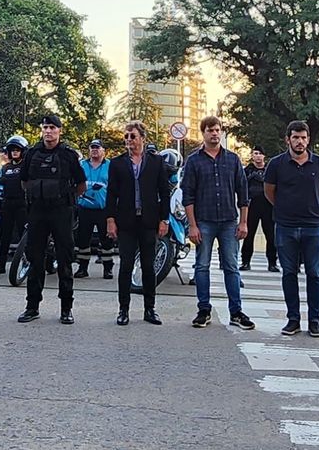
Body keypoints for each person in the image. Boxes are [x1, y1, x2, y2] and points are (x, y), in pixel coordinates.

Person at [180, 115, 252, 328]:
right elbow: (188, 195)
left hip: (229, 220)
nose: (214, 133)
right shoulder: (194, 161)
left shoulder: (232, 159)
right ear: (203, 133)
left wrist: (244, 222)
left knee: (231, 266)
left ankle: (236, 311)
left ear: (221, 132)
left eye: (217, 129)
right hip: (204, 221)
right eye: (210, 130)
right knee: (201, 266)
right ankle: (204, 309)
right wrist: (192, 225)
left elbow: (243, 192)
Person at [265, 121, 319, 337]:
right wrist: (285, 209)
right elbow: (269, 192)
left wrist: (315, 209)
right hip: (286, 226)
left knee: (315, 273)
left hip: (313, 227)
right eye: (295, 137)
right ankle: (293, 319)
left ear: (308, 139)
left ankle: (314, 321)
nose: (300, 141)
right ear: (288, 139)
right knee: (289, 273)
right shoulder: (276, 164)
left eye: (303, 137)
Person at [16, 114, 86, 324]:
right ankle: (32, 307)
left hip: (61, 211)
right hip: (38, 211)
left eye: (52, 128)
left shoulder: (68, 155)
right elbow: (24, 181)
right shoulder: (32, 153)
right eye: (45, 127)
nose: (48, 131)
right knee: (35, 258)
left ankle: (66, 308)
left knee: (64, 259)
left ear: (59, 131)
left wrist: (67, 198)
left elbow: (81, 185)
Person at [104, 121, 171, 325]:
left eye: (132, 136)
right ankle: (123, 309)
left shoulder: (156, 162)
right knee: (126, 265)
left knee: (148, 267)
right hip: (126, 220)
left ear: (142, 138)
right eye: (126, 137)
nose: (129, 140)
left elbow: (164, 193)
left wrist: (164, 219)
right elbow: (112, 194)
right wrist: (110, 220)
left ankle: (149, 309)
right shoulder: (117, 163)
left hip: (149, 220)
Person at [74, 139, 115, 279]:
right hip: (85, 208)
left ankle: (108, 268)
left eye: (97, 148)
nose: (94, 150)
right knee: (83, 239)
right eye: (92, 148)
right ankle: (82, 268)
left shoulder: (110, 166)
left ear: (103, 150)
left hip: (103, 209)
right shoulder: (82, 165)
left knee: (106, 240)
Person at [0, 135, 28, 275]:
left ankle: (26, 262)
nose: (15, 152)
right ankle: (1, 264)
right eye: (12, 150)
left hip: (22, 205)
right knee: (5, 236)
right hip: (7, 204)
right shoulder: (5, 168)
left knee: (24, 235)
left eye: (18, 150)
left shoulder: (26, 167)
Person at [242, 148, 276, 272]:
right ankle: (246, 261)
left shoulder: (270, 170)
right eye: (255, 154)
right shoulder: (247, 170)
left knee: (271, 236)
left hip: (268, 205)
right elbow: (242, 186)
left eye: (260, 154)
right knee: (249, 235)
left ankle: (272, 263)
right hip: (252, 205)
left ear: (264, 156)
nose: (258, 156)